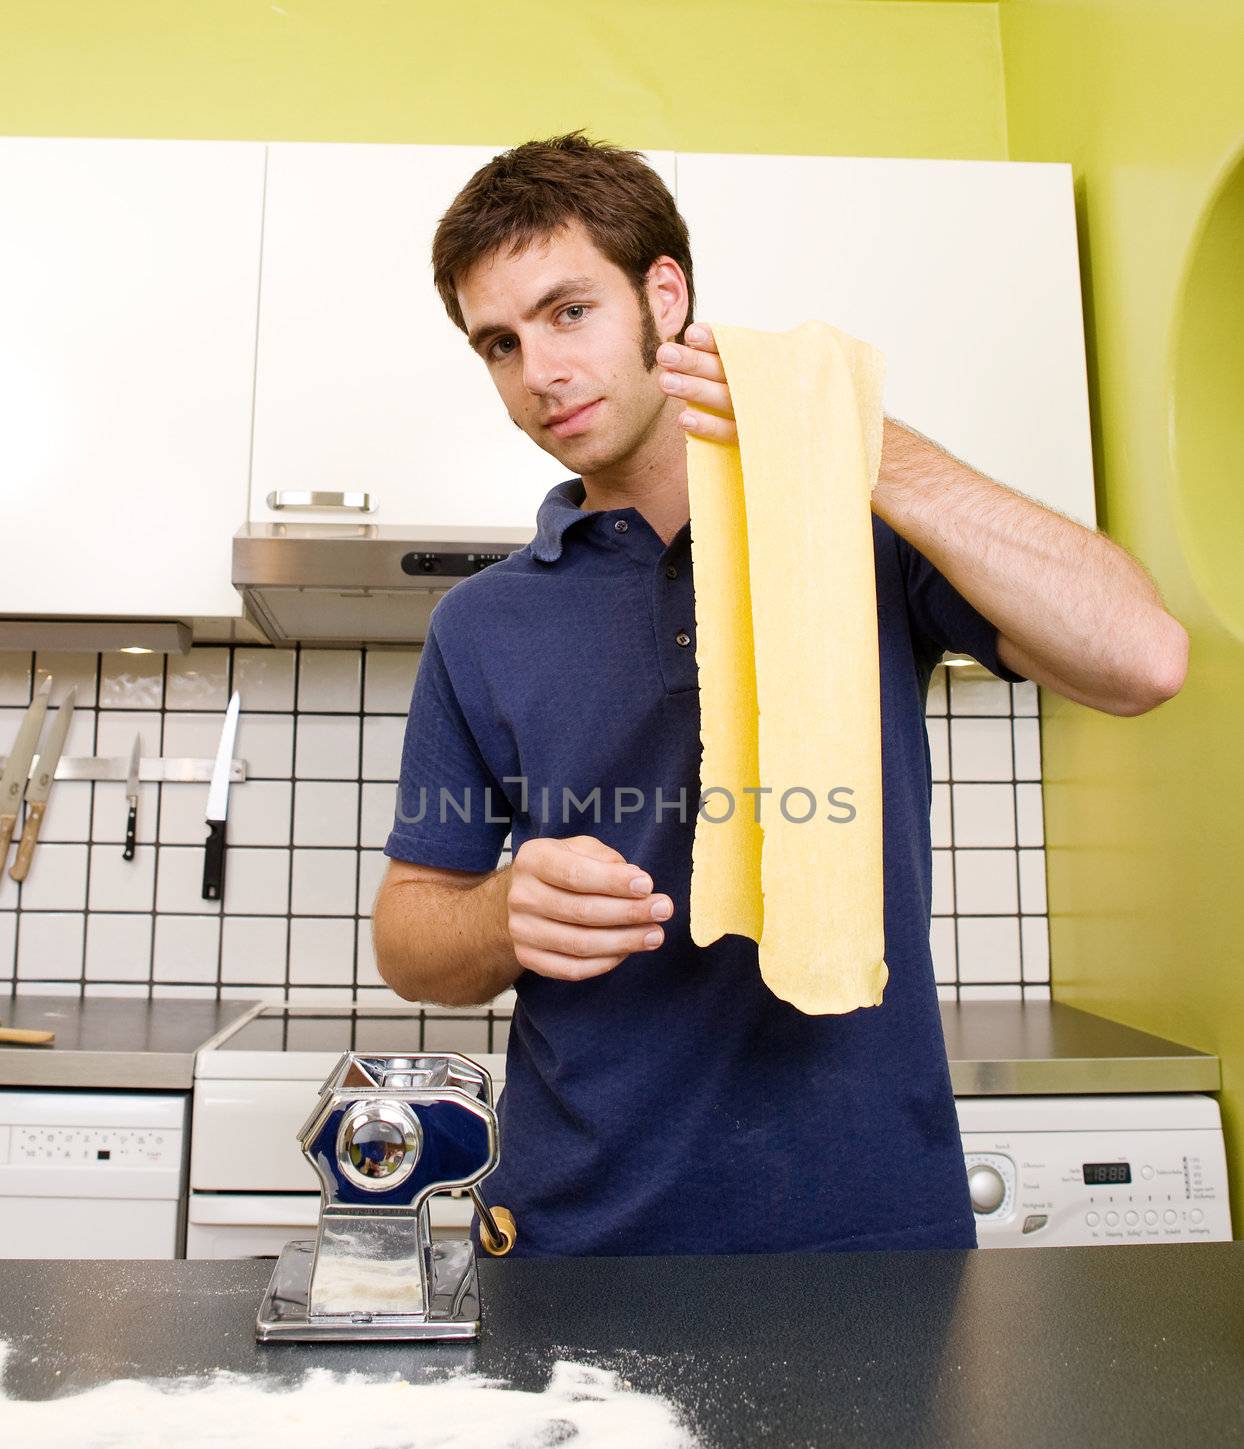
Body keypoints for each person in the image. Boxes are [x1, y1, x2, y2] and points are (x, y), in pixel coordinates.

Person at [372, 131, 1188, 1257]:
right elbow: (412, 933)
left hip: (867, 1233)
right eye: (499, 344)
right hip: (580, 1239)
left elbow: (1141, 657)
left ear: (664, 296)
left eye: (568, 313)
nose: (538, 373)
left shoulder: (861, 539)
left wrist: (842, 434)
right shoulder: (482, 624)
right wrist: (502, 911)